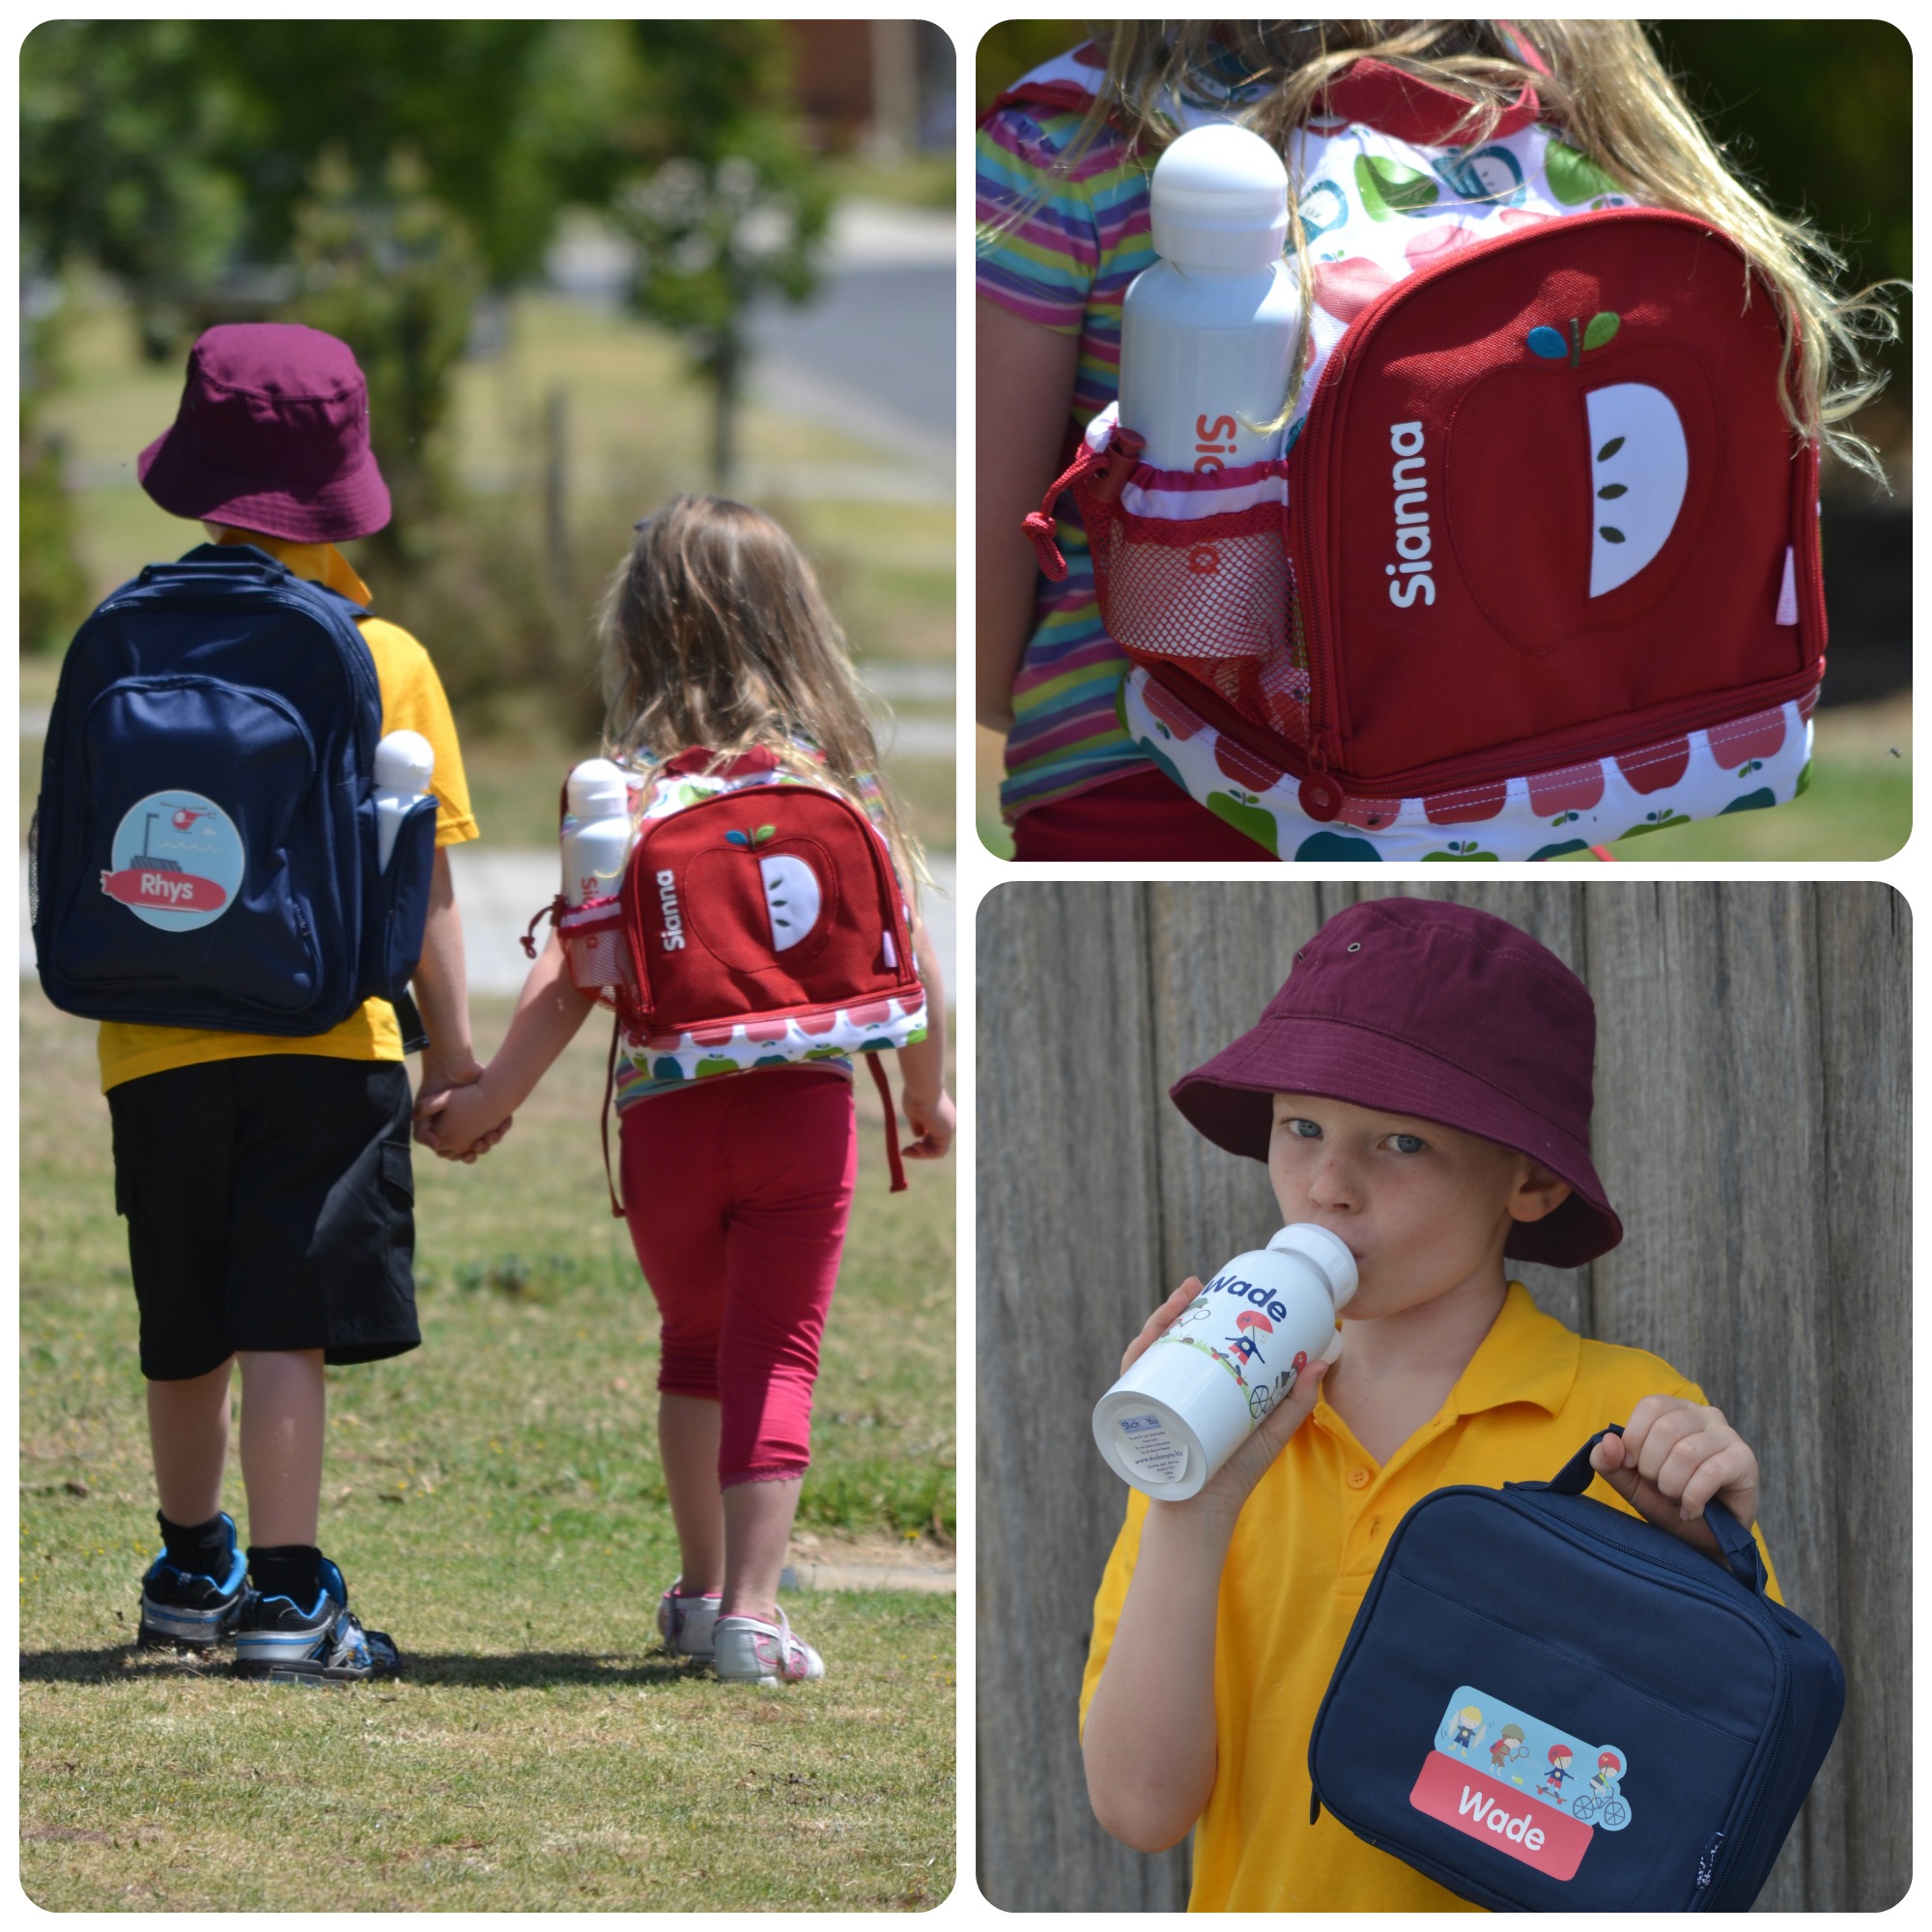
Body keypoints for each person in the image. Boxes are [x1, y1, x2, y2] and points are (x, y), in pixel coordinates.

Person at [977, 22, 1895, 860]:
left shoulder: (1067, 145)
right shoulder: (1578, 100)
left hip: (1149, 809)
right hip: (1537, 790)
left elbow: (986, 629)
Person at [1078, 896, 1779, 1908]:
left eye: (1398, 1142)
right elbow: (1140, 1808)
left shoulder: (1627, 1419)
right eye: (1300, 1125)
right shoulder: (1211, 1413)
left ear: (1529, 1181)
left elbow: (1710, 1797)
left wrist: (1704, 1564)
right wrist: (1191, 1503)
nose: (1327, 1184)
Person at [425, 495, 955, 1686]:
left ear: (640, 627)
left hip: (665, 1115)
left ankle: (702, 1587)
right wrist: (931, 1097)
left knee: (694, 1347)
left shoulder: (617, 790)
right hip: (804, 1108)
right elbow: (913, 962)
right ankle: (755, 1615)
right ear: (797, 625)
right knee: (780, 1349)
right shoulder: (837, 779)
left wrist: (486, 1102)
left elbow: (569, 972)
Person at [99, 324, 494, 1680]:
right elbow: (426, 891)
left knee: (183, 1316)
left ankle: (189, 1555)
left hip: (151, 1033)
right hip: (330, 1039)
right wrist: (455, 1056)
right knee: (286, 1321)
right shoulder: (386, 658)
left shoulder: (127, 631)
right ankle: (286, 1593)